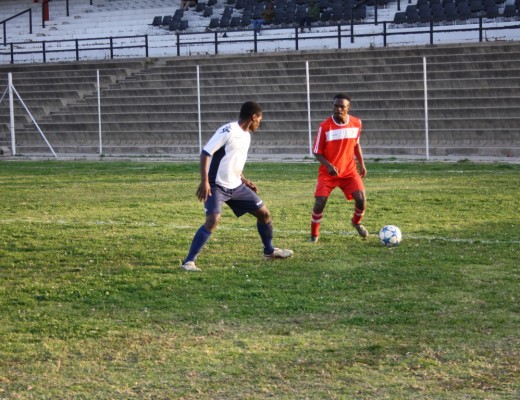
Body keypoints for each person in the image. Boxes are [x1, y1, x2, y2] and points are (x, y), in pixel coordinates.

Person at [181, 101, 294, 271]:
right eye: (259, 120)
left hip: (236, 186)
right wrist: (205, 182)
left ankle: (269, 251)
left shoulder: (247, 135)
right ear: (253, 117)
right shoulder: (228, 131)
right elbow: (205, 153)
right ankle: (189, 262)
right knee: (213, 220)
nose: (259, 123)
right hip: (216, 185)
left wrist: (244, 179)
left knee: (264, 214)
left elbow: (233, 160)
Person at [309, 93, 368, 243]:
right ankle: (314, 235)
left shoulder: (356, 123)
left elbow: (356, 144)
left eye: (342, 106)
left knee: (361, 200)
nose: (338, 109)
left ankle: (356, 222)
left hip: (349, 172)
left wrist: (362, 163)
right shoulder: (325, 127)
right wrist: (328, 166)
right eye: (336, 106)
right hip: (328, 173)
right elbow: (316, 151)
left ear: (348, 108)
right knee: (319, 203)